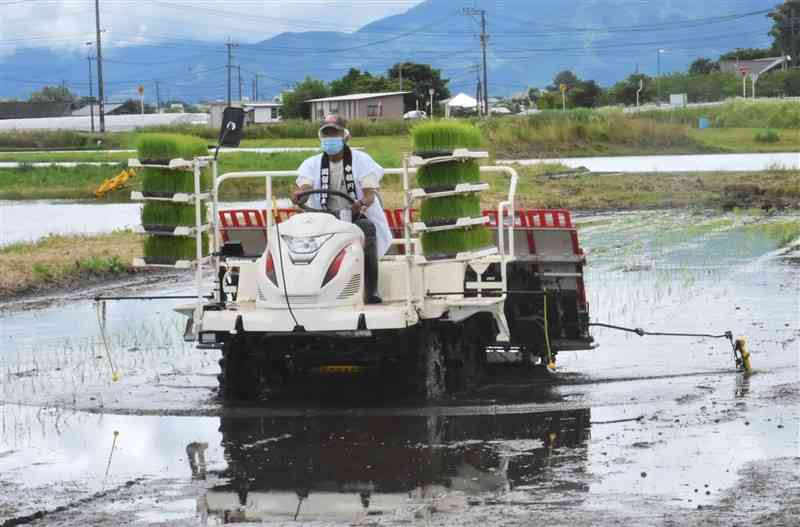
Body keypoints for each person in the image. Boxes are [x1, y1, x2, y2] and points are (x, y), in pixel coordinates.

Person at [291, 114, 391, 304]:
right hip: (322, 217)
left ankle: (371, 291)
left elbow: (370, 193)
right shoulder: (311, 164)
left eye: (334, 134)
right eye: (326, 135)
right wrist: (298, 195)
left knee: (368, 228)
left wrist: (360, 205)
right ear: (321, 138)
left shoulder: (362, 160)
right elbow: (304, 188)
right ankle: (301, 288)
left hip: (353, 216)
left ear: (345, 136)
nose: (330, 139)